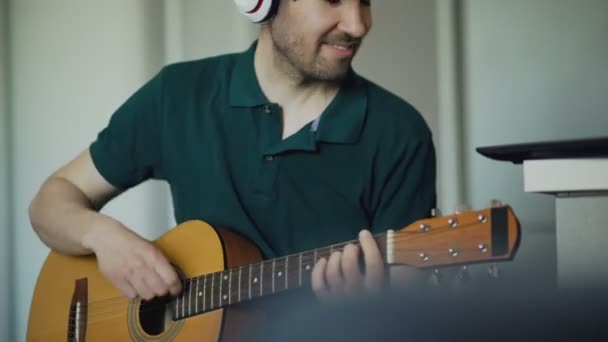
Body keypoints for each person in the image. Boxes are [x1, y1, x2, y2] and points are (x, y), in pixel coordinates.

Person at [29, 0, 436, 304]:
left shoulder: (399, 133)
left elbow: (408, 305)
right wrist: (104, 237)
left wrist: (365, 312)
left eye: (364, 0)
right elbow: (50, 203)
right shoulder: (178, 95)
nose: (357, 24)